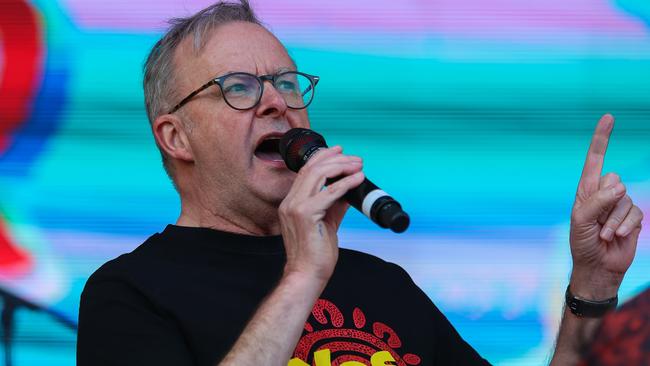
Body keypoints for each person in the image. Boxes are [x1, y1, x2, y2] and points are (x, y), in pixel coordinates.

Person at [76, 1, 644, 365]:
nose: (278, 102)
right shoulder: (130, 293)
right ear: (176, 137)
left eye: (287, 83)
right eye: (241, 88)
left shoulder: (384, 284)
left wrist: (591, 287)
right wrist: (301, 276)